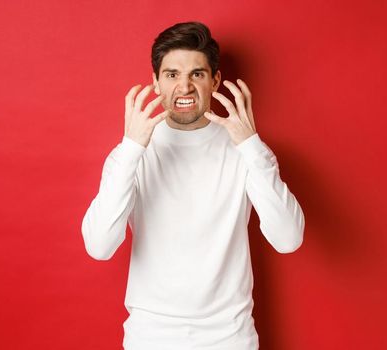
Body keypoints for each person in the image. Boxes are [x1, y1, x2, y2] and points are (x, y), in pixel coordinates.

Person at [81, 21, 305, 350]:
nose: (184, 87)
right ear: (156, 82)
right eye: (172, 75)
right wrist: (131, 150)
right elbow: (99, 246)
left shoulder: (243, 149)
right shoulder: (132, 153)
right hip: (150, 338)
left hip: (230, 338)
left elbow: (288, 239)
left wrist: (251, 146)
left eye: (197, 74)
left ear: (214, 80)